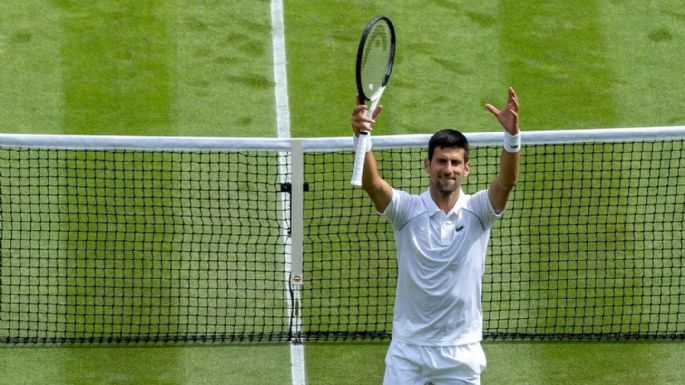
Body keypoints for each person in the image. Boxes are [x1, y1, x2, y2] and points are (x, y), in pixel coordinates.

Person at [350, 87, 520, 385]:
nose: (448, 169)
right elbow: (373, 185)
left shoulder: (478, 210)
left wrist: (512, 138)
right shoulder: (406, 210)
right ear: (428, 165)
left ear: (466, 169)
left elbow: (506, 183)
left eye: (455, 162)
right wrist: (361, 136)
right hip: (409, 350)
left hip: (461, 351)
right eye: (441, 161)